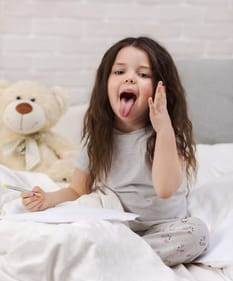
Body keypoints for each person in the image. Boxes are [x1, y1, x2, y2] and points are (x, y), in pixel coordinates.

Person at [22, 36, 208, 266]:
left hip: (164, 228)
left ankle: (119, 258)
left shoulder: (170, 134)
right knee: (75, 224)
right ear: (105, 83)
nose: (130, 77)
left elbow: (165, 189)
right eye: (119, 72)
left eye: (143, 74)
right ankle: (121, 255)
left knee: (197, 234)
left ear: (161, 88)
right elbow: (78, 189)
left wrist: (163, 129)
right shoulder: (98, 137)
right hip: (114, 221)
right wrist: (48, 199)